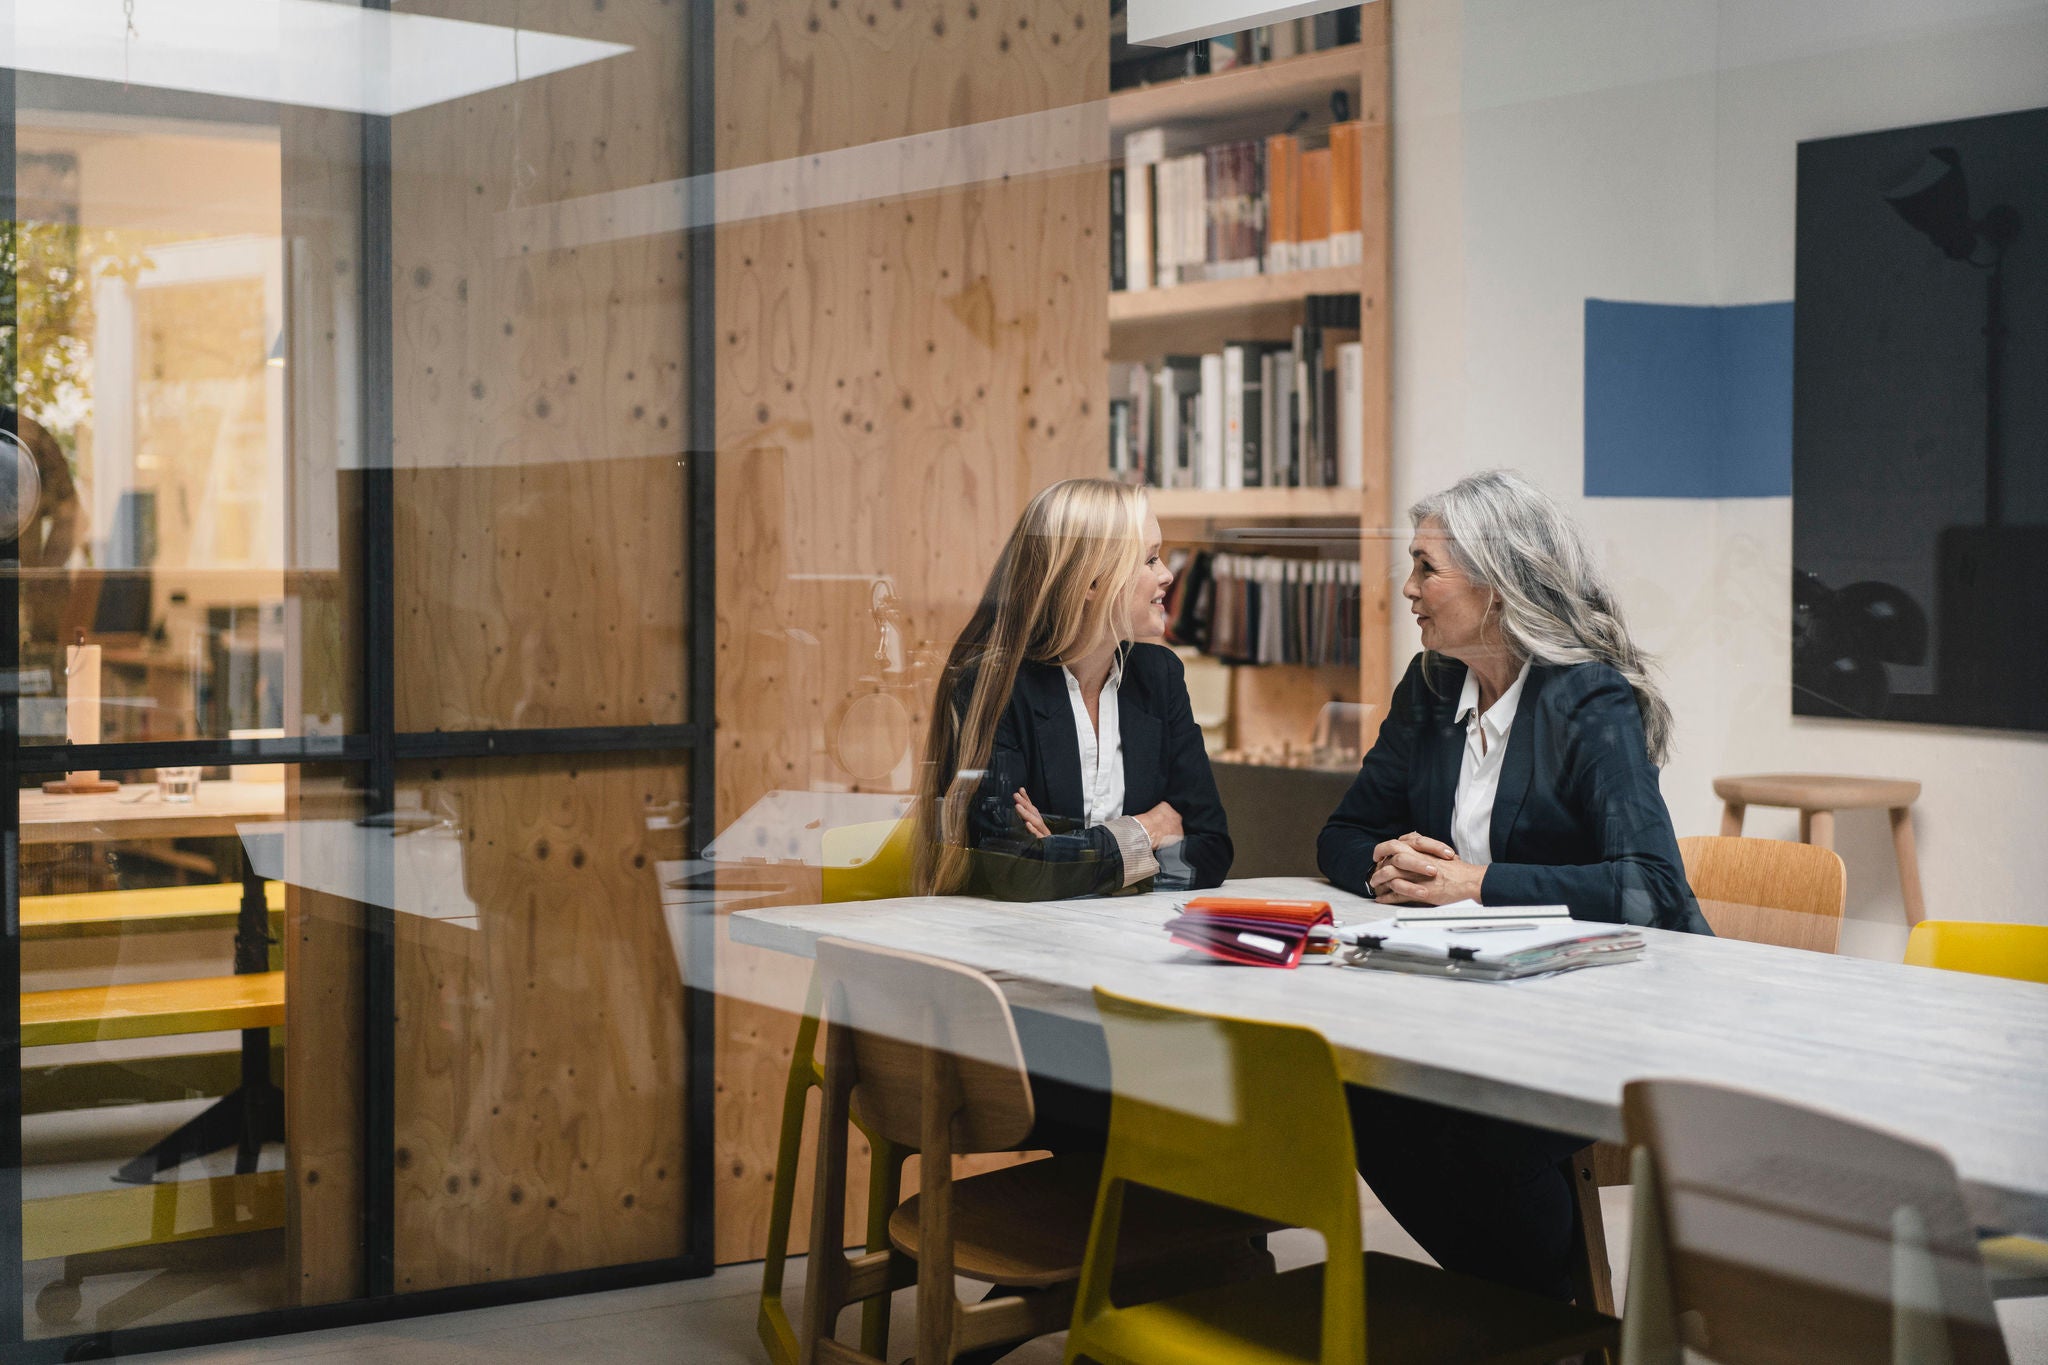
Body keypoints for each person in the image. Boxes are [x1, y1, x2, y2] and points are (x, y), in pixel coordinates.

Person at [1319, 468, 1710, 1303]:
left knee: (1456, 1126)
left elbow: (1649, 888)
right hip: (1477, 1001)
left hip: (1606, 1014)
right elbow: (1341, 834)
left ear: (1495, 584)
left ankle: (1553, 1307)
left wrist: (1473, 883)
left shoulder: (1587, 697)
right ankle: (1534, 1308)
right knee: (1358, 1094)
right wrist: (1391, 864)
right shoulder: (1429, 690)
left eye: (1426, 567)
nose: (1410, 589)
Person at [912, 477, 1231, 902]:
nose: (1168, 575)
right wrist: (1144, 831)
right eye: (1150, 559)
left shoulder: (1161, 675)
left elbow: (1211, 850)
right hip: (1018, 951)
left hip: (1132, 943)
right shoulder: (992, 685)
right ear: (1091, 583)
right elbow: (1015, 870)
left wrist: (1063, 852)